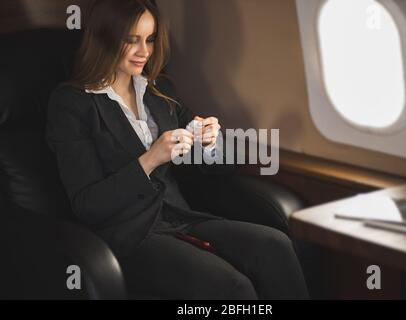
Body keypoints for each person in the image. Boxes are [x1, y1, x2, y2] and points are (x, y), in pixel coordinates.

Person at [46, 0, 309, 300]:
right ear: (105, 38)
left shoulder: (159, 91)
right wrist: (149, 160)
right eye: (131, 41)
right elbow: (87, 204)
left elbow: (217, 168)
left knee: (276, 246)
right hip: (128, 234)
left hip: (180, 216)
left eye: (150, 39)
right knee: (234, 287)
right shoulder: (72, 103)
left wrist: (211, 143)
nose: (144, 51)